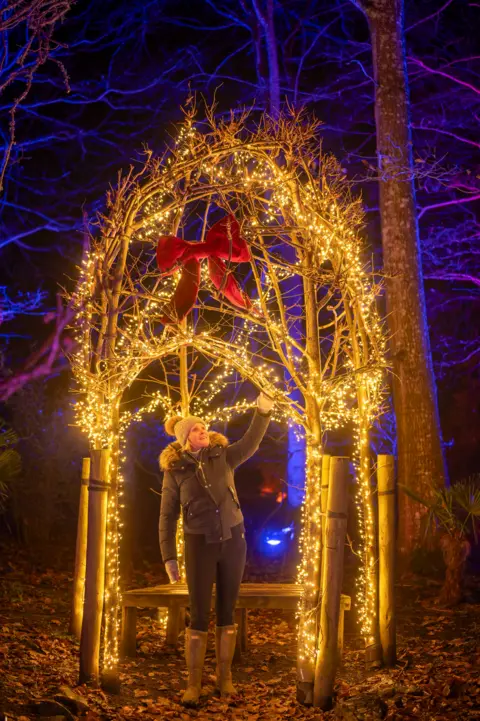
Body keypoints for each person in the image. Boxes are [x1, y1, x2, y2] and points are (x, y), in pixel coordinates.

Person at [158, 391, 274, 705]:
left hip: (233, 542)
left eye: (205, 427)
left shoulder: (223, 455)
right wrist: (169, 557)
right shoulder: (175, 471)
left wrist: (262, 411)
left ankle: (225, 679)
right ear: (185, 438)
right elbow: (167, 516)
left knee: (226, 610)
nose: (204, 430)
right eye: (197, 429)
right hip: (198, 545)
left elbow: (250, 442)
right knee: (198, 614)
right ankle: (193, 684)